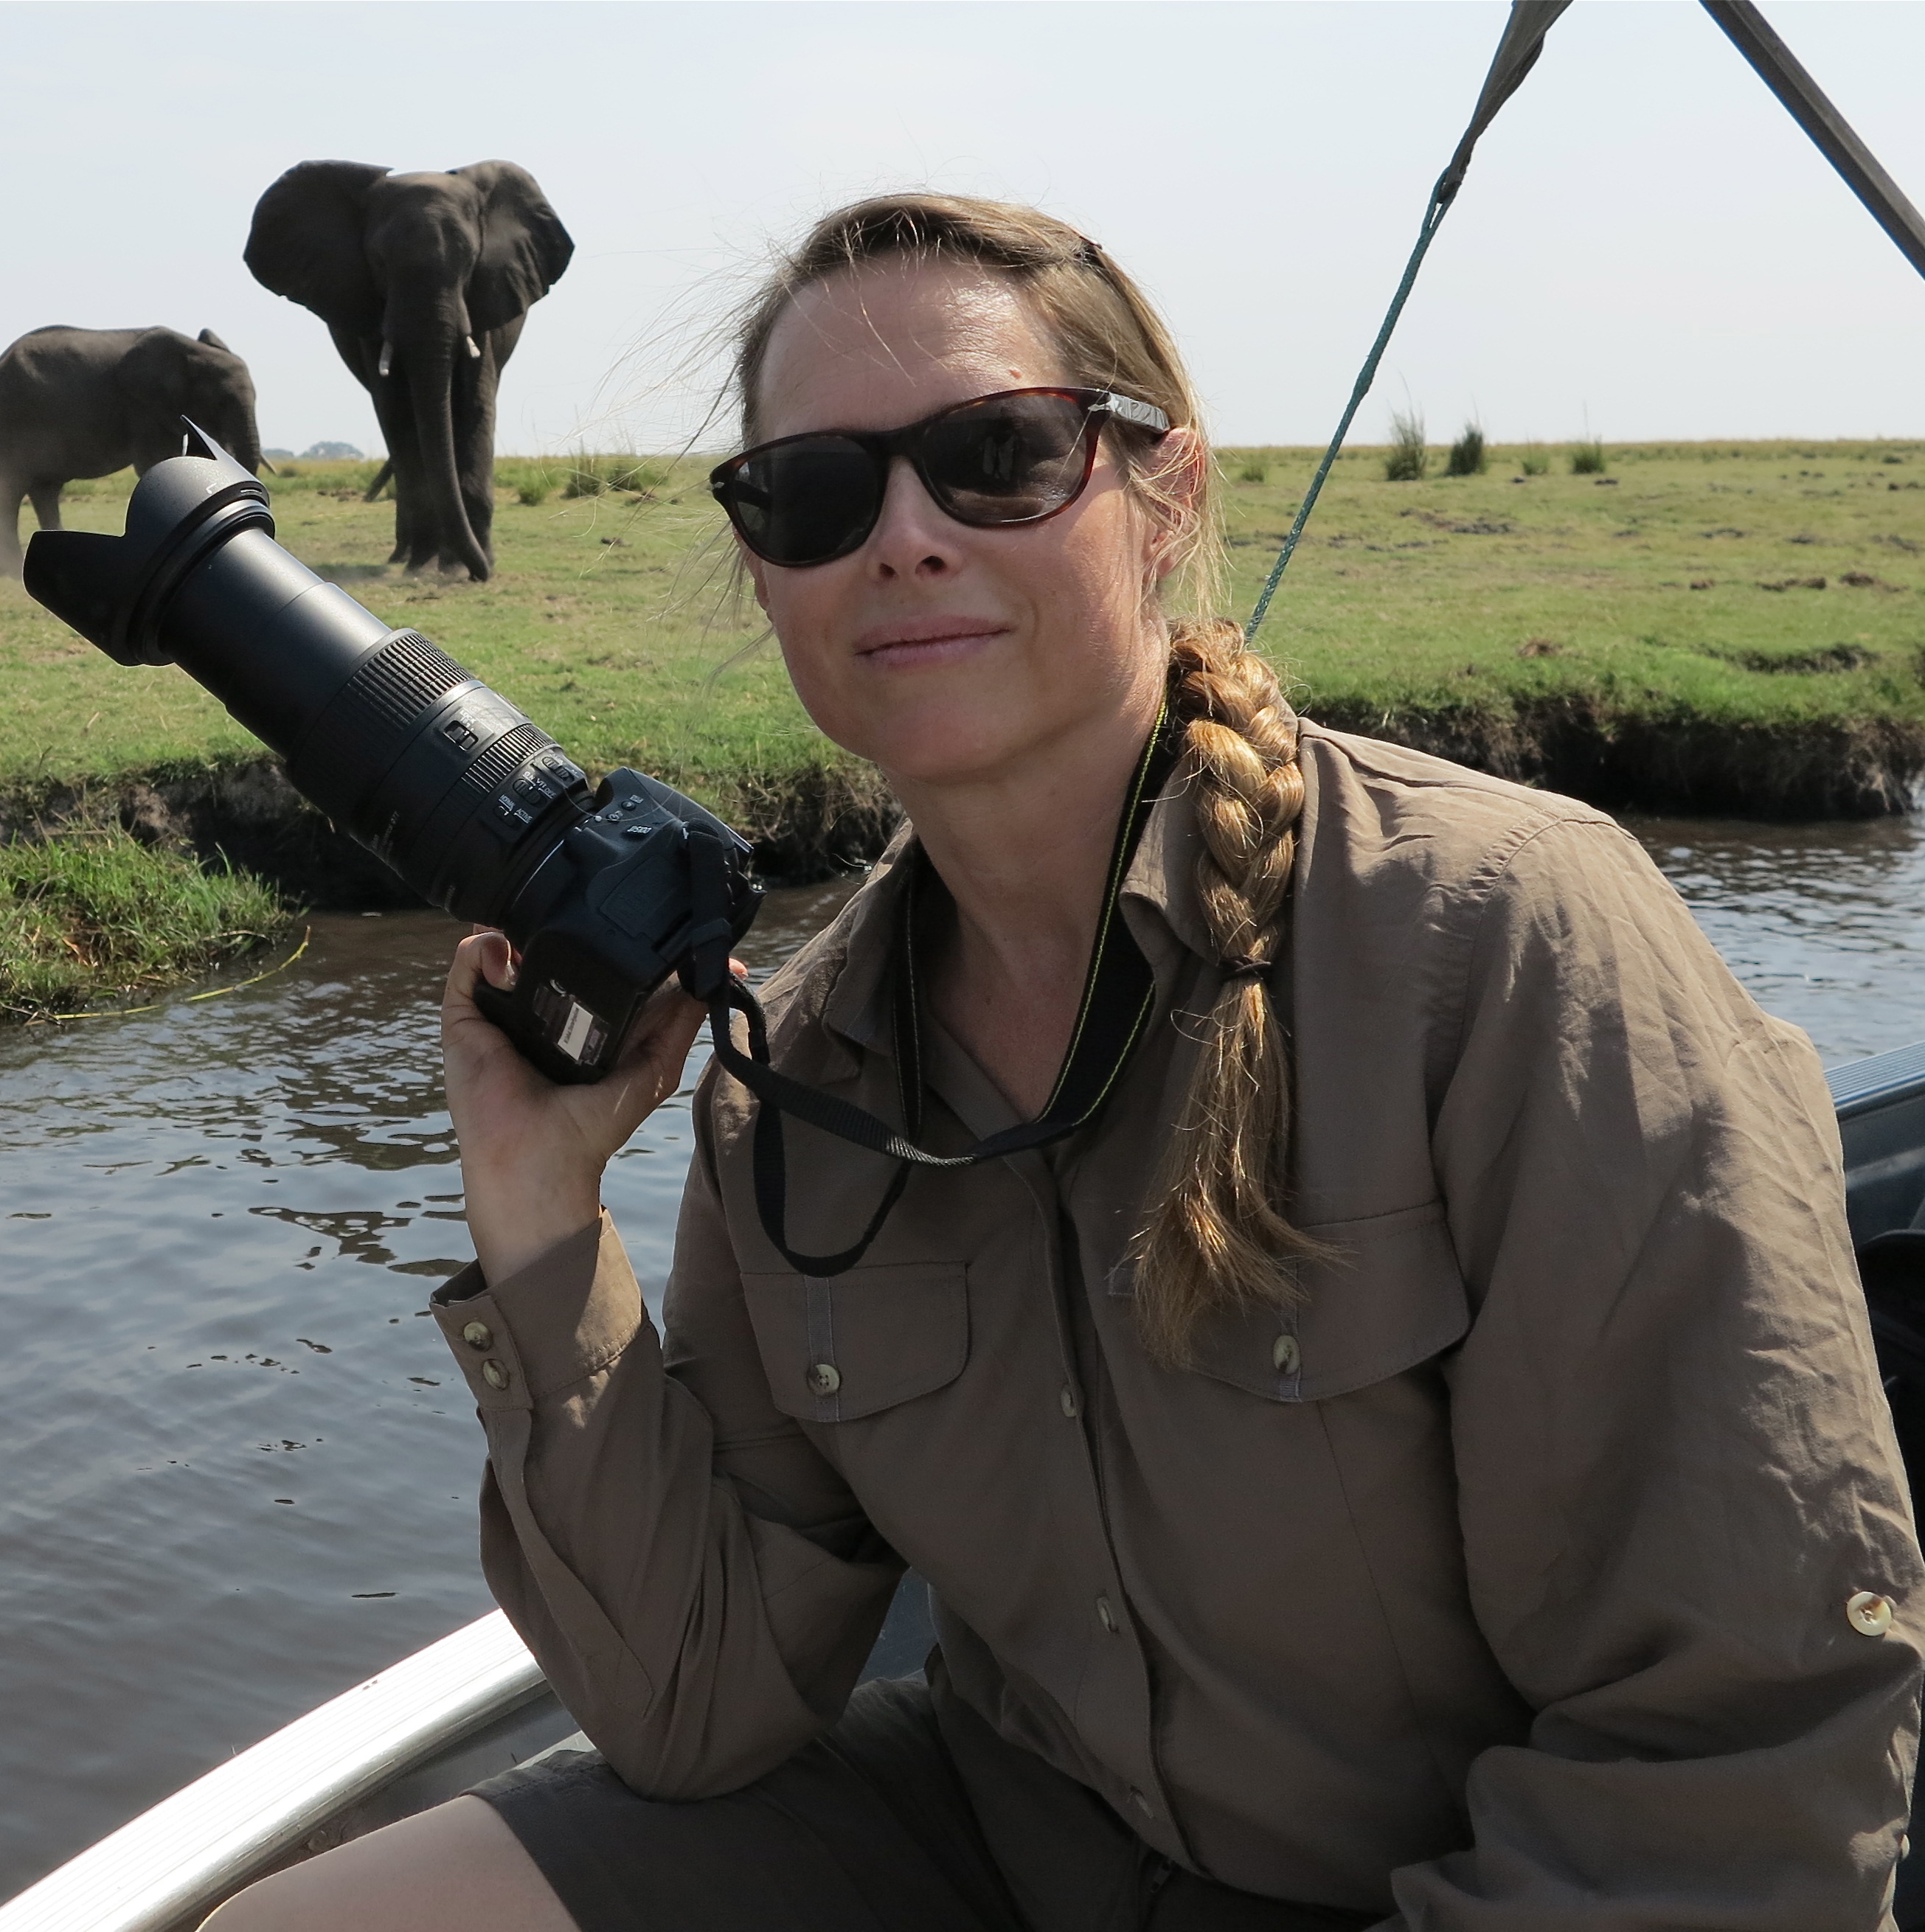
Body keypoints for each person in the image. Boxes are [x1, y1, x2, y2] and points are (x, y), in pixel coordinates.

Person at [206, 195, 1925, 1932]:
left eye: (997, 456)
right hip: (1013, 1845)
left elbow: (1741, 1751)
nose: (902, 539)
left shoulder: (1500, 941)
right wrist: (538, 1212)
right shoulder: (796, 1081)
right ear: (764, 567)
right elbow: (696, 1710)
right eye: (811, 492)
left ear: (1162, 492)